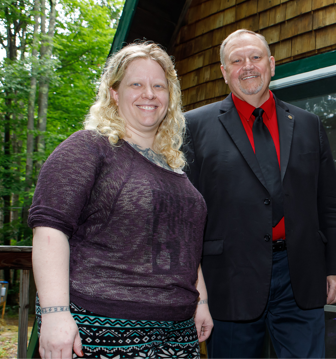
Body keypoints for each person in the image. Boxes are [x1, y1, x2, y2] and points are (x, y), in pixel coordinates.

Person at [29, 42, 212, 359]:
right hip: (101, 329)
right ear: (114, 92)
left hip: (178, 334)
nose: (149, 94)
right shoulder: (89, 147)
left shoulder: (175, 168)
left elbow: (185, 244)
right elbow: (49, 229)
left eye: (158, 86)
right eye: (136, 84)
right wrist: (55, 313)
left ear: (169, 97)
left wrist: (202, 303)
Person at [183, 29, 336, 358]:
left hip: (299, 275)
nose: (248, 66)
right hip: (229, 279)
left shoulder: (307, 124)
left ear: (271, 64)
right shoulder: (194, 126)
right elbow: (187, 213)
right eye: (237, 60)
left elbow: (329, 201)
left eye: (256, 57)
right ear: (224, 72)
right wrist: (194, 287)